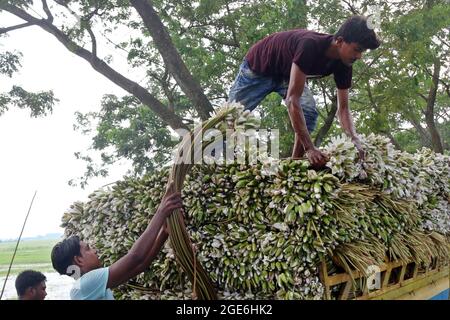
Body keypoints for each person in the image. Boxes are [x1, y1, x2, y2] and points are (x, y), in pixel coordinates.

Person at [228, 16, 380, 168]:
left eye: (363, 51)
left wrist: (354, 138)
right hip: (259, 68)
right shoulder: (310, 45)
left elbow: (344, 108)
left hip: (288, 74)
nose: (359, 56)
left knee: (308, 111)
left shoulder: (345, 63)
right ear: (340, 41)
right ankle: (213, 161)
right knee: (230, 117)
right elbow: (292, 100)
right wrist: (310, 148)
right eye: (357, 50)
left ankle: (294, 164)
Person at [50, 182, 182, 300]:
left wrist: (163, 234)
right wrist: (161, 212)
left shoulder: (92, 285)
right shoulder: (85, 284)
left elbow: (141, 265)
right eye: (88, 249)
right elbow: (135, 257)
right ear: (78, 260)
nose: (95, 250)